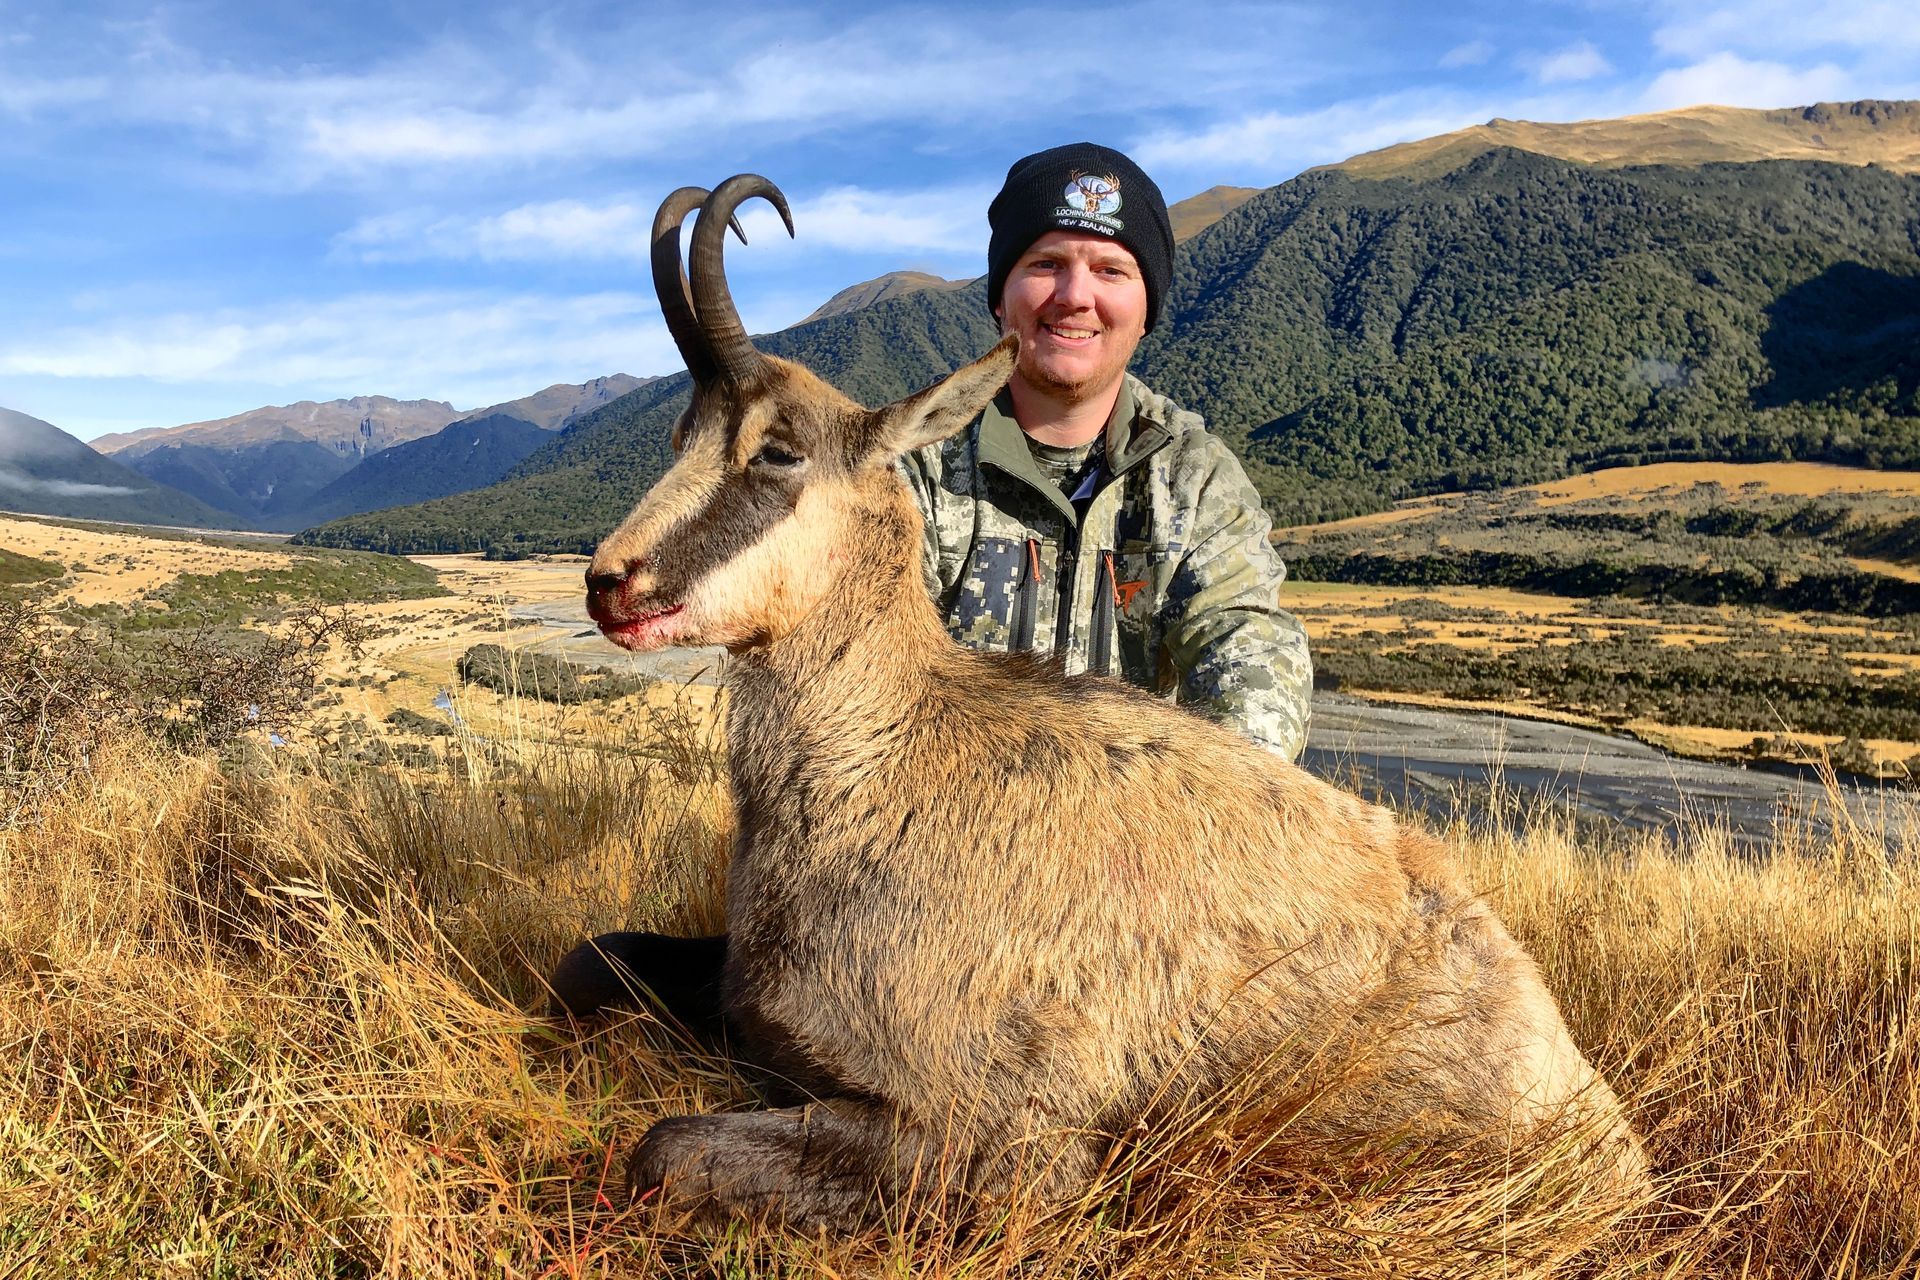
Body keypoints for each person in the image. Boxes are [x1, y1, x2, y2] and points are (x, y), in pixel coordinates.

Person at [548, 143, 1313, 1021]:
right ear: (1002, 296)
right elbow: (791, 582)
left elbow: (1252, 648)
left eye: (1110, 268)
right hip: (926, 856)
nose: (1076, 293)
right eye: (1045, 264)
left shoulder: (1194, 478)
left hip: (1124, 870)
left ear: (1145, 307)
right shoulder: (907, 468)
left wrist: (1199, 830)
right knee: (631, 976)